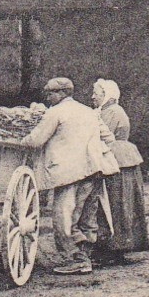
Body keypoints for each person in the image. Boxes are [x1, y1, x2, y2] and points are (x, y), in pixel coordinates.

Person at [17, 77, 118, 274]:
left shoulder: (55, 112)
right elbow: (109, 137)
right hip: (93, 170)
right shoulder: (89, 111)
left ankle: (76, 258)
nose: (48, 97)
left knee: (64, 216)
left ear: (62, 93)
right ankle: (86, 256)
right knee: (87, 216)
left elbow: (36, 140)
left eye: (51, 93)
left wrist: (19, 142)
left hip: (69, 173)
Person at [90, 79, 149, 263]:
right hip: (117, 160)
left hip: (117, 161)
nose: (92, 96)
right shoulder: (105, 111)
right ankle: (112, 246)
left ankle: (114, 248)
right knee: (115, 204)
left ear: (106, 95)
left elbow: (100, 135)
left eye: (96, 93)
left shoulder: (113, 112)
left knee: (116, 204)